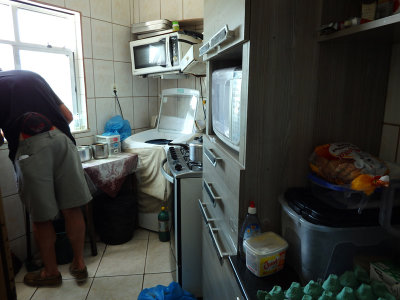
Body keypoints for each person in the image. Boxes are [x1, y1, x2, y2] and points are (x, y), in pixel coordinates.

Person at [0, 70, 92, 287]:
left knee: (42, 217)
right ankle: (79, 264)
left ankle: (51, 272)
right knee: (72, 208)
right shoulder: (32, 76)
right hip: (62, 141)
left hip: (30, 146)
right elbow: (68, 116)